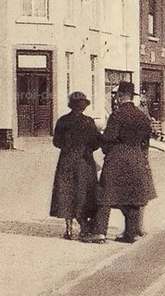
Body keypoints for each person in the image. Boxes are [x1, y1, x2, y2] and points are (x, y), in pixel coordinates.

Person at [81, 81, 157, 244]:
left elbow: (109, 137)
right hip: (136, 157)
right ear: (132, 97)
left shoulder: (117, 115)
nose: (116, 99)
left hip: (117, 159)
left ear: (121, 97)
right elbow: (145, 141)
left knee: (105, 195)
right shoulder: (143, 116)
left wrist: (104, 146)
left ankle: (99, 232)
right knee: (132, 197)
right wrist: (141, 157)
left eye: (117, 96)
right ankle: (131, 233)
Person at [50, 92, 102, 240]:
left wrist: (68, 147)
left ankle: (68, 229)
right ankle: (84, 228)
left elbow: (56, 142)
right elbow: (96, 142)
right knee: (83, 193)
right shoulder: (88, 122)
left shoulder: (62, 121)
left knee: (67, 192)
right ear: (84, 106)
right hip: (84, 161)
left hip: (66, 161)